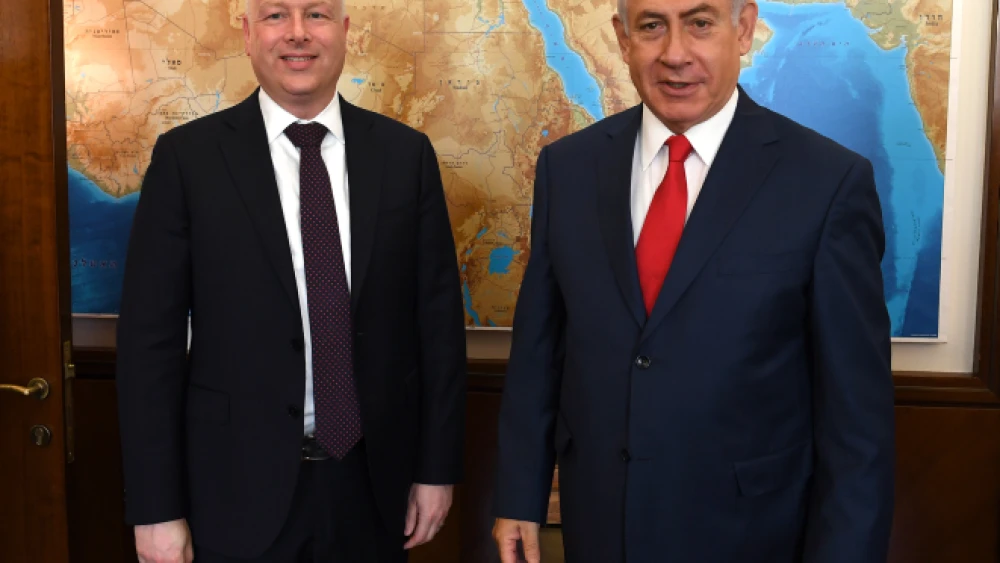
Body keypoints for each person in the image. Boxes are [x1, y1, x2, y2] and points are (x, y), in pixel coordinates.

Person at [492, 0, 894, 560]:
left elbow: (857, 418)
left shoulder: (828, 181)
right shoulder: (568, 168)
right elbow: (541, 351)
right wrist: (519, 495)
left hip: (751, 532)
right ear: (622, 38)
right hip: (602, 526)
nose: (675, 54)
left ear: (745, 29)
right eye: (652, 26)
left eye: (700, 23)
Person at [116, 0, 466, 560]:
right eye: (276, 15)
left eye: (317, 15)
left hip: (375, 490)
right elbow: (147, 347)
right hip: (233, 493)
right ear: (248, 34)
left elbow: (439, 330)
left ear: (346, 31)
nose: (297, 34)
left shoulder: (405, 156)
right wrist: (156, 508)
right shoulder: (188, 160)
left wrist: (437, 470)